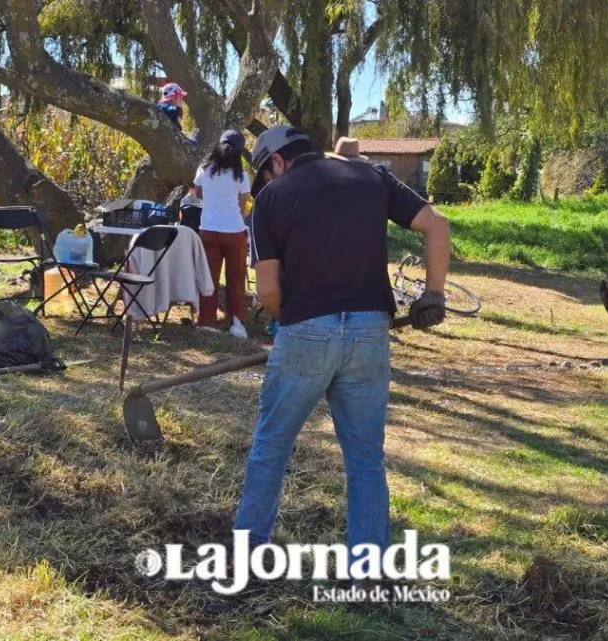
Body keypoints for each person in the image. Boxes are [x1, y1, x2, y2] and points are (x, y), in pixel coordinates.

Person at [234, 125, 450, 557]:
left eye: (265, 175)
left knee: (272, 445)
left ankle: (248, 553)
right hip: (371, 330)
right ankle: (367, 570)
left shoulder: (271, 200)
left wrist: (284, 321)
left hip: (306, 332)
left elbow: (269, 292)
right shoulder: (370, 176)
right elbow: (437, 225)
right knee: (365, 456)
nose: (266, 184)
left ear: (276, 162)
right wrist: (434, 293)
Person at [192, 129, 251, 338]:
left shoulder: (204, 169)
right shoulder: (241, 175)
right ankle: (236, 321)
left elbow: (197, 193)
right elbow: (242, 204)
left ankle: (206, 321)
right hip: (234, 231)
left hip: (207, 230)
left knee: (209, 278)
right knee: (235, 279)